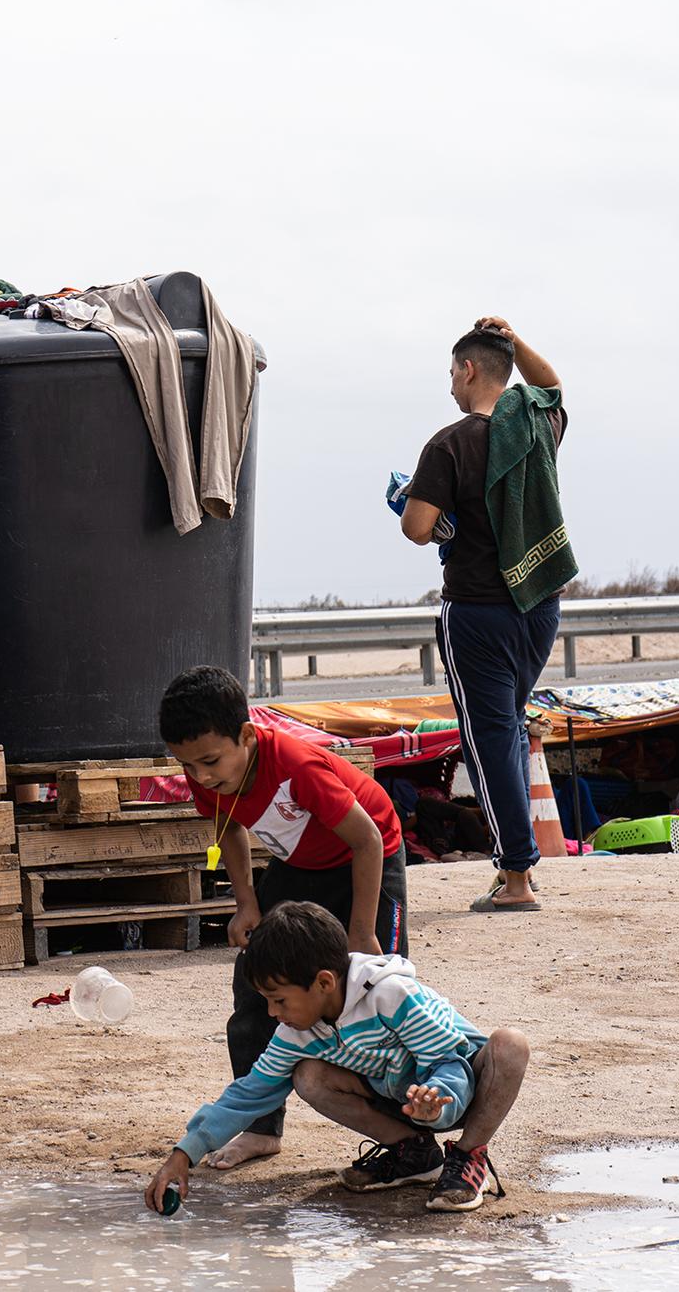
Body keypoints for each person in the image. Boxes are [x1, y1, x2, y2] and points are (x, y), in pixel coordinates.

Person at [160, 665, 407, 1173]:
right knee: (255, 983)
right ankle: (260, 1128)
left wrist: (362, 932)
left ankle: (406, 1137)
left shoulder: (297, 766)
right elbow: (229, 827)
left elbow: (366, 840)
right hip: (298, 865)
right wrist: (246, 902)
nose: (201, 776)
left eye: (210, 762)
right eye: (188, 765)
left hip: (368, 857)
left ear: (247, 736)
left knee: (378, 994)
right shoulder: (206, 773)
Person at [145, 901, 530, 1215]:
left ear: (324, 982)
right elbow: (249, 1093)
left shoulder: (393, 996)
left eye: (279, 1000)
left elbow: (448, 1060)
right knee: (308, 1076)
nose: (273, 1013)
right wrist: (185, 1152)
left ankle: (468, 1157)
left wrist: (437, 1106)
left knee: (510, 1045)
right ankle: (414, 1154)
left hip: (457, 1089)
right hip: (403, 1102)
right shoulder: (296, 1032)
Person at [400, 317, 572, 912]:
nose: (450, 384)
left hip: (477, 613)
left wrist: (417, 506)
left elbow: (417, 527)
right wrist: (516, 338)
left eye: (452, 372)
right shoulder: (536, 427)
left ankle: (517, 875)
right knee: (507, 729)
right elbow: (552, 387)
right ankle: (514, 867)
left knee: (489, 740)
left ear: (469, 369)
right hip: (539, 605)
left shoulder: (449, 444)